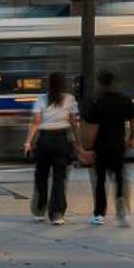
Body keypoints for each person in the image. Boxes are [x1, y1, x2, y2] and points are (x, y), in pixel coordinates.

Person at [25, 72, 82, 225]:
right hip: (62, 141)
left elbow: (36, 122)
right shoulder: (69, 99)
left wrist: (28, 142)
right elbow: (73, 124)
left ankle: (39, 210)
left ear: (48, 84)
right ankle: (56, 214)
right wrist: (78, 144)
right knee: (59, 179)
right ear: (63, 84)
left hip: (44, 140)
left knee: (41, 176)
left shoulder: (42, 99)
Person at [86, 68, 134, 226]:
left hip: (101, 146)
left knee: (101, 180)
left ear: (101, 84)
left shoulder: (97, 102)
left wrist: (89, 148)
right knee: (119, 178)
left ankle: (99, 214)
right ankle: (120, 206)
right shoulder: (124, 100)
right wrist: (131, 138)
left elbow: (93, 128)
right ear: (113, 83)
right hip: (118, 145)